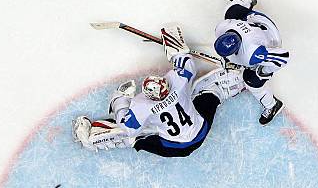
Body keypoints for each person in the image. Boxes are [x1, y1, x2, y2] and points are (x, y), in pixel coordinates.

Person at [72, 25, 243, 157]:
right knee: (209, 96)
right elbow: (187, 64)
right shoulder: (178, 82)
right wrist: (174, 47)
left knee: (136, 138)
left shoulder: (141, 106)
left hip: (175, 147)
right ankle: (223, 88)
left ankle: (92, 140)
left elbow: (127, 126)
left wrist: (120, 98)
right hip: (200, 131)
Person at [214, 0, 289, 125]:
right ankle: (246, 0)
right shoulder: (223, 26)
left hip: (270, 38)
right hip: (255, 21)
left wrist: (263, 71)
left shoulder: (252, 52)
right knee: (230, 11)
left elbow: (283, 57)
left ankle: (272, 105)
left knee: (251, 80)